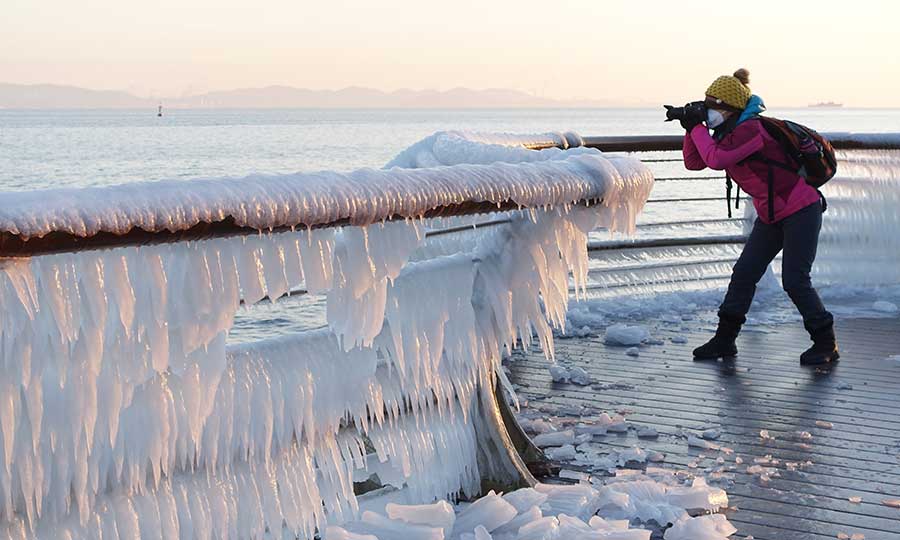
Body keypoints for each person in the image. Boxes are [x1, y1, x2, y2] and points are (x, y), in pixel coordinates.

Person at [680, 68, 839, 366]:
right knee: (744, 274)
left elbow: (716, 160)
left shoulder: (751, 130)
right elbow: (694, 163)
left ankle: (826, 342)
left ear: (730, 109)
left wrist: (698, 128)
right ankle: (724, 341)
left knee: (795, 279)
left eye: (713, 107)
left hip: (800, 209)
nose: (710, 112)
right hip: (771, 214)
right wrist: (692, 127)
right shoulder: (726, 133)